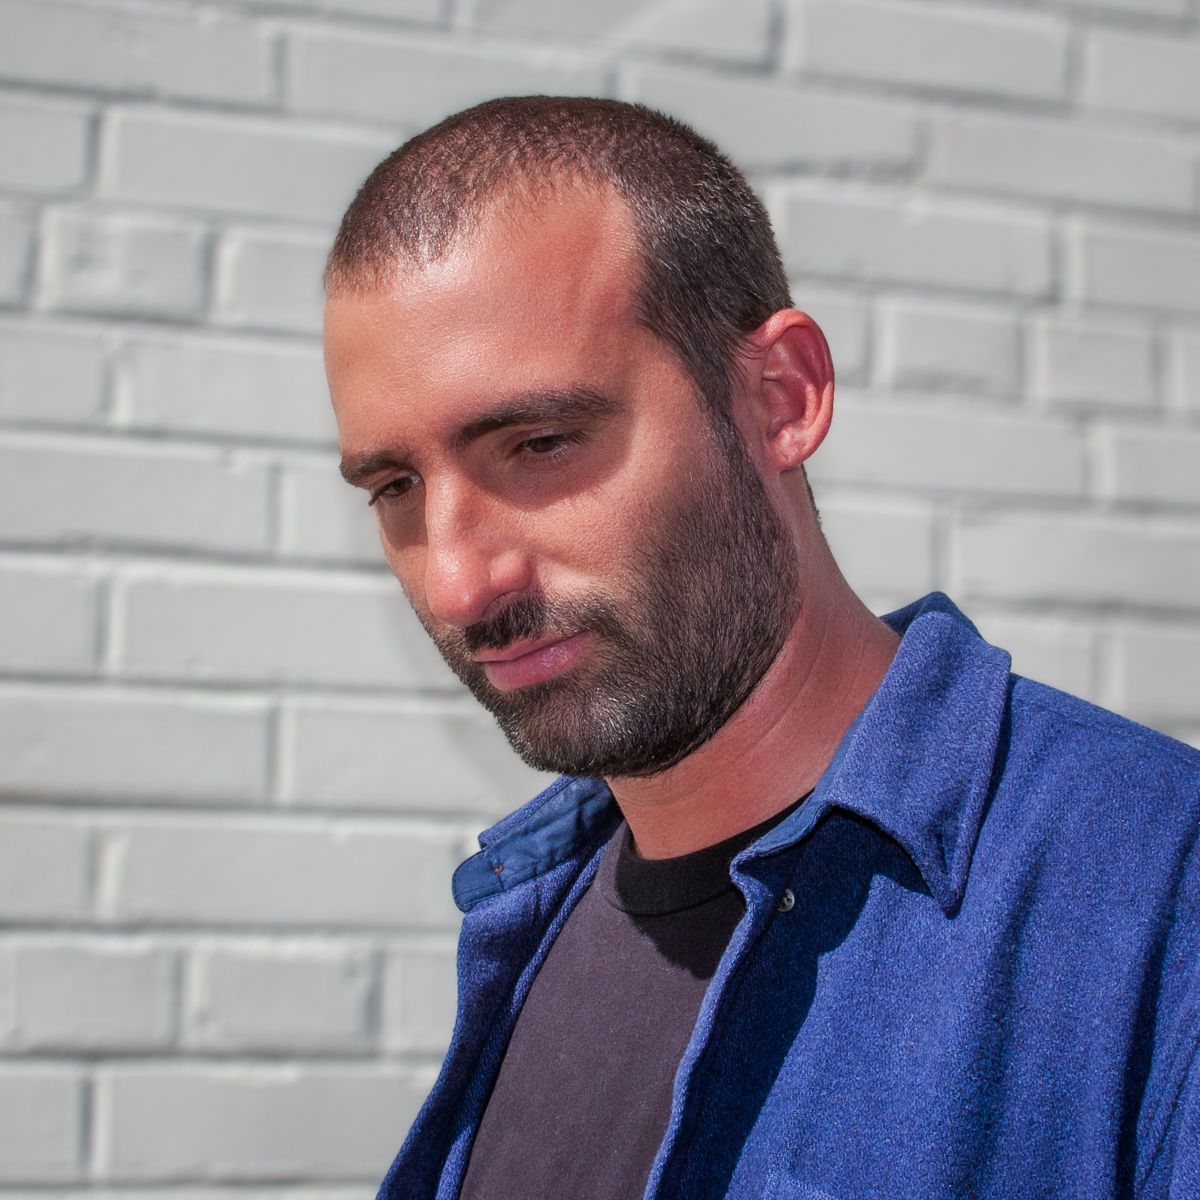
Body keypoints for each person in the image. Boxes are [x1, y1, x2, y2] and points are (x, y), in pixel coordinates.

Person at [322, 97, 1199, 1200]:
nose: (457, 581)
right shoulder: (528, 915)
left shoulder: (1155, 894)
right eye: (395, 487)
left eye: (538, 444)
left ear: (779, 399)